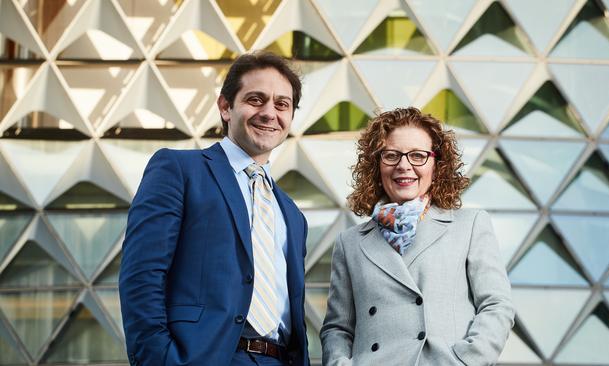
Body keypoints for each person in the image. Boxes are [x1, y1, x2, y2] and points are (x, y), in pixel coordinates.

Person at [119, 51, 310, 366]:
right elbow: (141, 276)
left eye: (281, 105)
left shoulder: (292, 214)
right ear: (225, 107)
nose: (269, 113)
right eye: (255, 99)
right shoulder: (179, 170)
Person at [320, 107, 515, 366]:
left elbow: (496, 305)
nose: (404, 165)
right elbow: (337, 328)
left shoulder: (470, 226)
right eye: (391, 155)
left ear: (437, 164)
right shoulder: (351, 242)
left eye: (418, 156)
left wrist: (466, 361)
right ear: (377, 164)